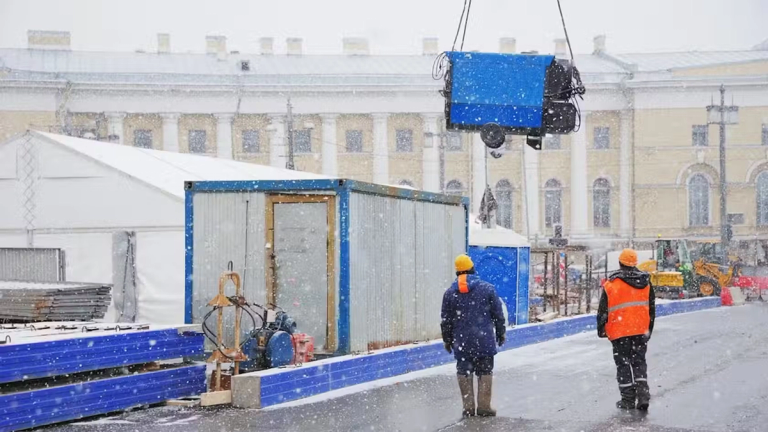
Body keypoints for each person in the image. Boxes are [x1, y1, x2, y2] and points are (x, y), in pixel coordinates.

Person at [441, 254, 506, 418]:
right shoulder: (487, 289)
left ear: (457, 273)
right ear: (472, 269)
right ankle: (484, 406)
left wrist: (447, 339)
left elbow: (446, 320)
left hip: (462, 342)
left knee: (464, 371)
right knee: (485, 371)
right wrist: (501, 332)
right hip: (484, 341)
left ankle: (468, 407)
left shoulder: (450, 293)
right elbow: (498, 315)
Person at [597, 248, 656, 411]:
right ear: (635, 263)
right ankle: (643, 394)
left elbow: (603, 310)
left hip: (619, 331)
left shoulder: (611, 284)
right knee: (639, 362)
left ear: (620, 263)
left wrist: (601, 329)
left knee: (623, 364)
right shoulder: (646, 282)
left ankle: (628, 400)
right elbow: (651, 308)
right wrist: (648, 329)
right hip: (640, 329)